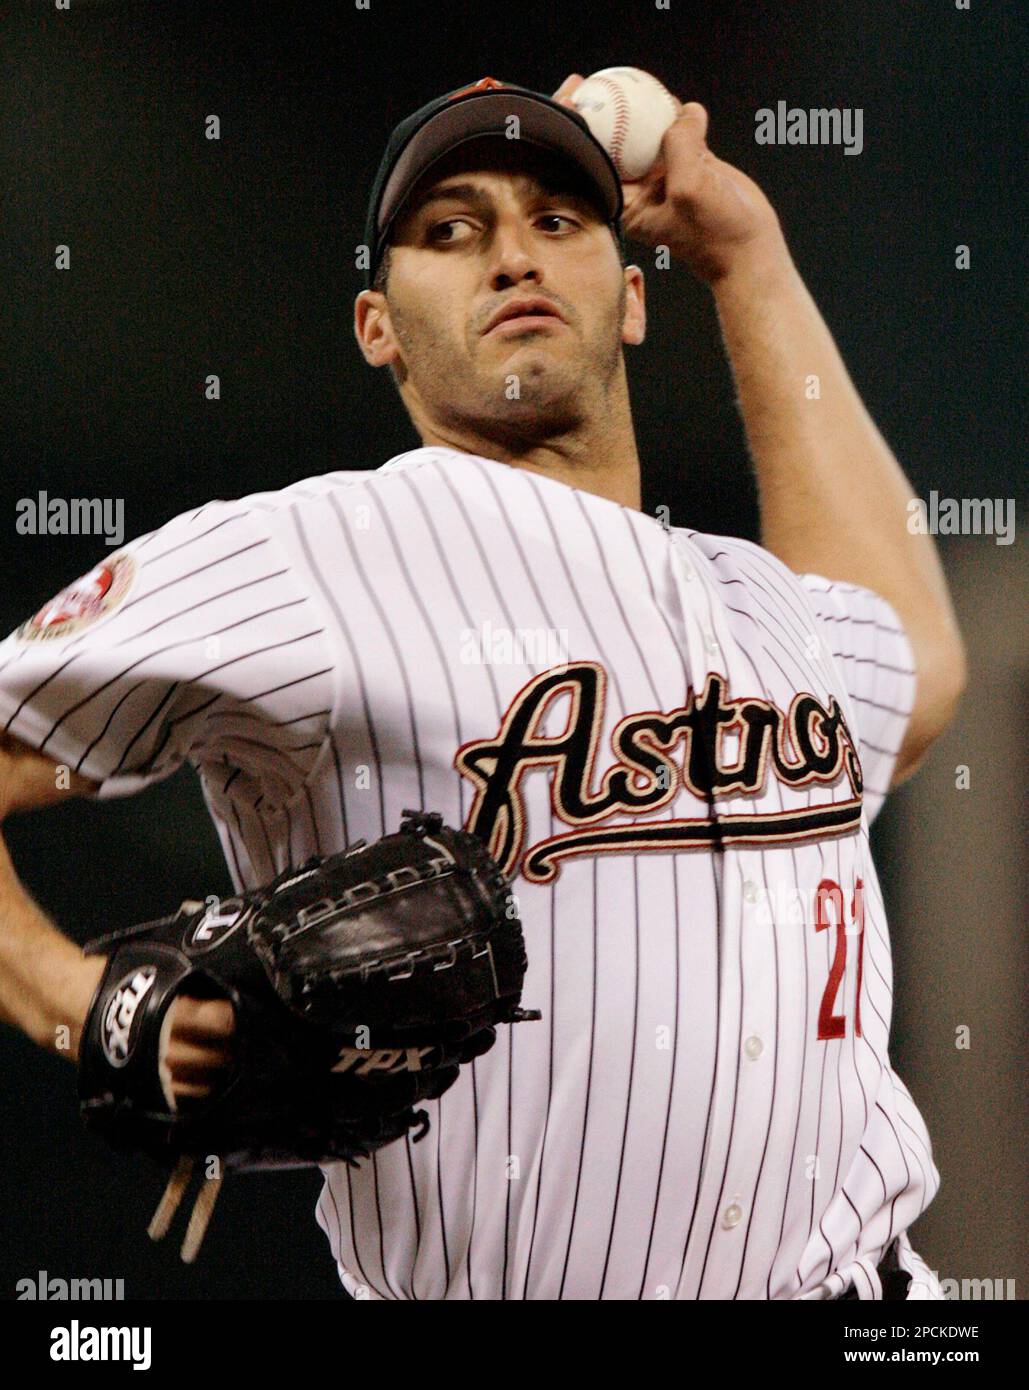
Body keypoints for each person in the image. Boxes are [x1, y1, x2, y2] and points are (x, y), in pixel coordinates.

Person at [0, 75, 965, 1299]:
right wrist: (79, 1003)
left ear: (628, 302)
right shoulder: (309, 554)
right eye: (450, 231)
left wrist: (744, 254)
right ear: (377, 326)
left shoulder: (755, 593)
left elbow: (916, 670)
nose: (512, 252)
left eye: (558, 219)